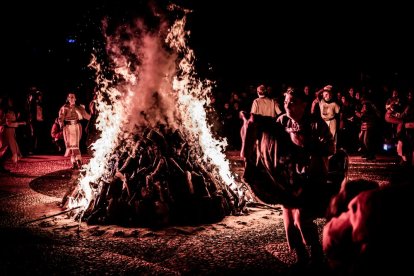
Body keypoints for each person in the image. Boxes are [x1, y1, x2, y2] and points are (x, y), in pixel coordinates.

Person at [240, 87, 335, 267]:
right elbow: (271, 142)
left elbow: (331, 148)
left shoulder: (316, 123)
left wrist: (306, 145)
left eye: (292, 102)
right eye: (285, 102)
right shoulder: (282, 121)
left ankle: (316, 253)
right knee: (289, 219)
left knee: (301, 217)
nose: (287, 105)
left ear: (303, 105)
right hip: (286, 179)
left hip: (310, 178)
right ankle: (300, 254)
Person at [58, 92, 91, 169]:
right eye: (70, 97)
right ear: (68, 99)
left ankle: (79, 160)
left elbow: (87, 116)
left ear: (75, 98)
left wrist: (94, 117)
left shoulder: (79, 107)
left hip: (76, 127)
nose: (71, 98)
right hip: (68, 128)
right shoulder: (64, 108)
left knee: (75, 145)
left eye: (73, 97)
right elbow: (60, 118)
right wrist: (61, 125)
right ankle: (74, 162)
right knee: (71, 147)